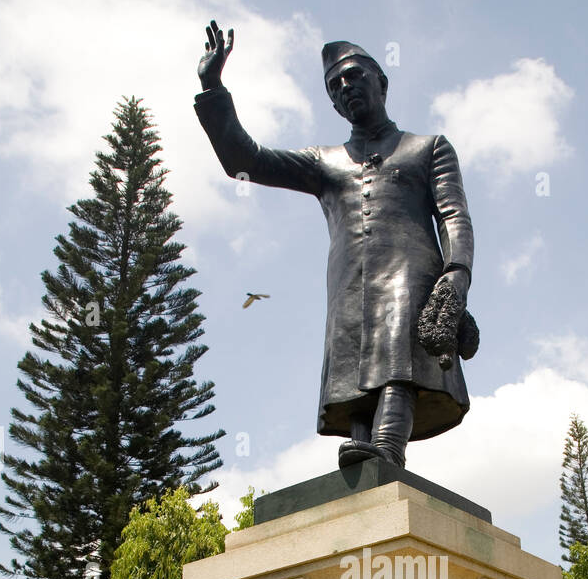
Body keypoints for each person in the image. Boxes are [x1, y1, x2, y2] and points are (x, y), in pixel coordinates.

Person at [194, 24, 475, 470]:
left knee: (397, 351)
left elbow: (454, 214)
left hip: (413, 273)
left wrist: (457, 272)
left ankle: (387, 449)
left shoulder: (428, 147)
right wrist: (213, 88)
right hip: (348, 281)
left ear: (380, 81)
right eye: (335, 85)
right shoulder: (325, 162)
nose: (346, 86)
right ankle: (365, 455)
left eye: (354, 75)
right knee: (353, 367)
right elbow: (245, 161)